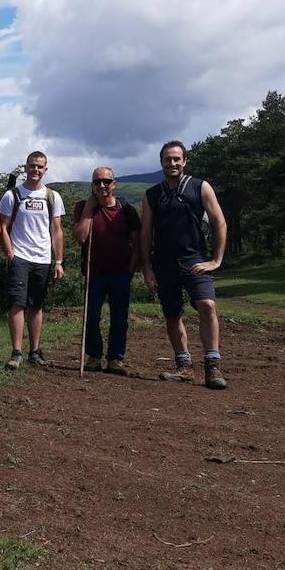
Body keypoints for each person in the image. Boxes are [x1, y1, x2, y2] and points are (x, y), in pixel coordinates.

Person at [140, 140, 229, 390]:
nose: (172, 163)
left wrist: (216, 260)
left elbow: (219, 222)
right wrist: (146, 268)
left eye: (177, 159)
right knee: (171, 314)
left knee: (207, 305)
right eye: (168, 159)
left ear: (185, 161)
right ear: (161, 163)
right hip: (164, 263)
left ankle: (212, 366)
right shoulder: (152, 195)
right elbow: (145, 234)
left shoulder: (201, 187)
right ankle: (184, 367)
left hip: (195, 260)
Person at [0, 151, 65, 370]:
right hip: (20, 257)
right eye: (32, 166)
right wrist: (10, 254)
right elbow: (3, 228)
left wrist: (58, 261)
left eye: (40, 167)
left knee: (36, 306)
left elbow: (56, 230)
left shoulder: (52, 196)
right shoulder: (12, 195)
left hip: (44, 259)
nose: (36, 170)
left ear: (45, 170)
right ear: (25, 168)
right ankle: (16, 353)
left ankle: (34, 352)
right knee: (17, 304)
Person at [72, 167, 141, 374]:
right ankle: (94, 356)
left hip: (121, 271)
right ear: (92, 185)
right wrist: (88, 212)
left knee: (119, 317)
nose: (102, 185)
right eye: (97, 182)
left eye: (106, 181)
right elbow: (80, 237)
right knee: (91, 317)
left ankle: (115, 359)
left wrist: (131, 269)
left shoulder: (127, 210)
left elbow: (137, 243)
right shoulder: (83, 207)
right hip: (94, 272)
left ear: (114, 183)